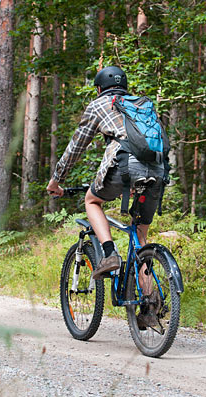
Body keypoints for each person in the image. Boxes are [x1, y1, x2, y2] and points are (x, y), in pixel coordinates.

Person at [46, 66, 165, 290]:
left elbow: (76, 148)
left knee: (92, 200)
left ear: (99, 88)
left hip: (124, 168)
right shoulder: (141, 105)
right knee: (140, 238)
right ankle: (150, 303)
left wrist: (57, 179)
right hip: (157, 171)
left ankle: (109, 254)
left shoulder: (98, 105)